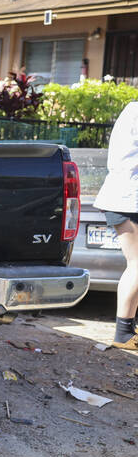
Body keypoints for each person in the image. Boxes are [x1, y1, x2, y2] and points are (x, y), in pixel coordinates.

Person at [95, 100, 138, 348]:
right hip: (128, 197)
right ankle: (123, 333)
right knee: (136, 264)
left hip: (123, 194)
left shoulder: (130, 110)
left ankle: (127, 330)